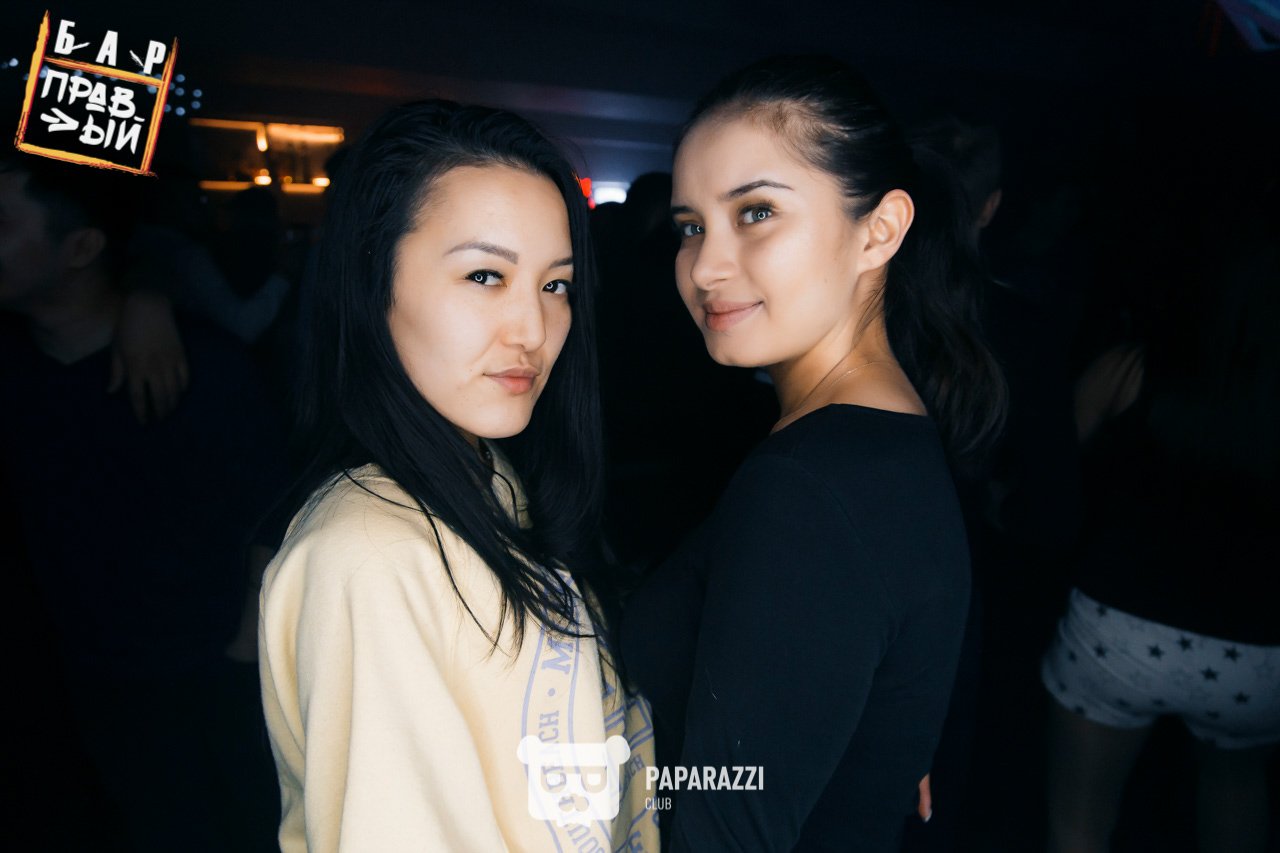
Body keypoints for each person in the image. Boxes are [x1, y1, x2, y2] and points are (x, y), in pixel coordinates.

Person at [620, 56, 1006, 851]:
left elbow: (726, 832)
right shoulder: (880, 442)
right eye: (691, 226)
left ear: (880, 230)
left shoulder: (811, 485)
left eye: (756, 212)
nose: (705, 266)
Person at [257, 100, 659, 853]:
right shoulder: (370, 556)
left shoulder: (487, 472)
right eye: (485, 275)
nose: (533, 330)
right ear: (373, 283)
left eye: (556, 285)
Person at [0, 150, 284, 852]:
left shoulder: (205, 366)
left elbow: (273, 508)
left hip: (196, 685)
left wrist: (238, 660)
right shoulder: (16, 365)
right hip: (64, 689)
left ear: (80, 248)